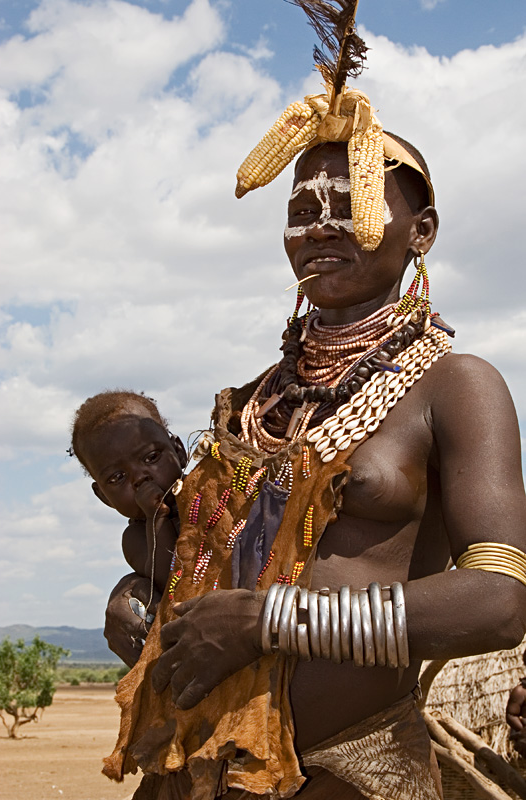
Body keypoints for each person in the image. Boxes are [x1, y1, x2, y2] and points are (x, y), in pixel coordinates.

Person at [101, 6, 526, 800]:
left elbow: (498, 600)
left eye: (350, 203)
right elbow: (203, 568)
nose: (319, 226)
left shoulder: (455, 385)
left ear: (420, 230)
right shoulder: (254, 400)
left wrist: (268, 623)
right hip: (194, 769)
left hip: (349, 771)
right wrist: (143, 604)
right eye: (300, 211)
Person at [71, 390, 186, 603]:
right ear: (104, 497)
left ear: (179, 452)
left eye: (151, 457)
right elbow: (168, 581)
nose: (140, 477)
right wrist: (156, 518)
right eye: (118, 477)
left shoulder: (216, 489)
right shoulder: (136, 538)